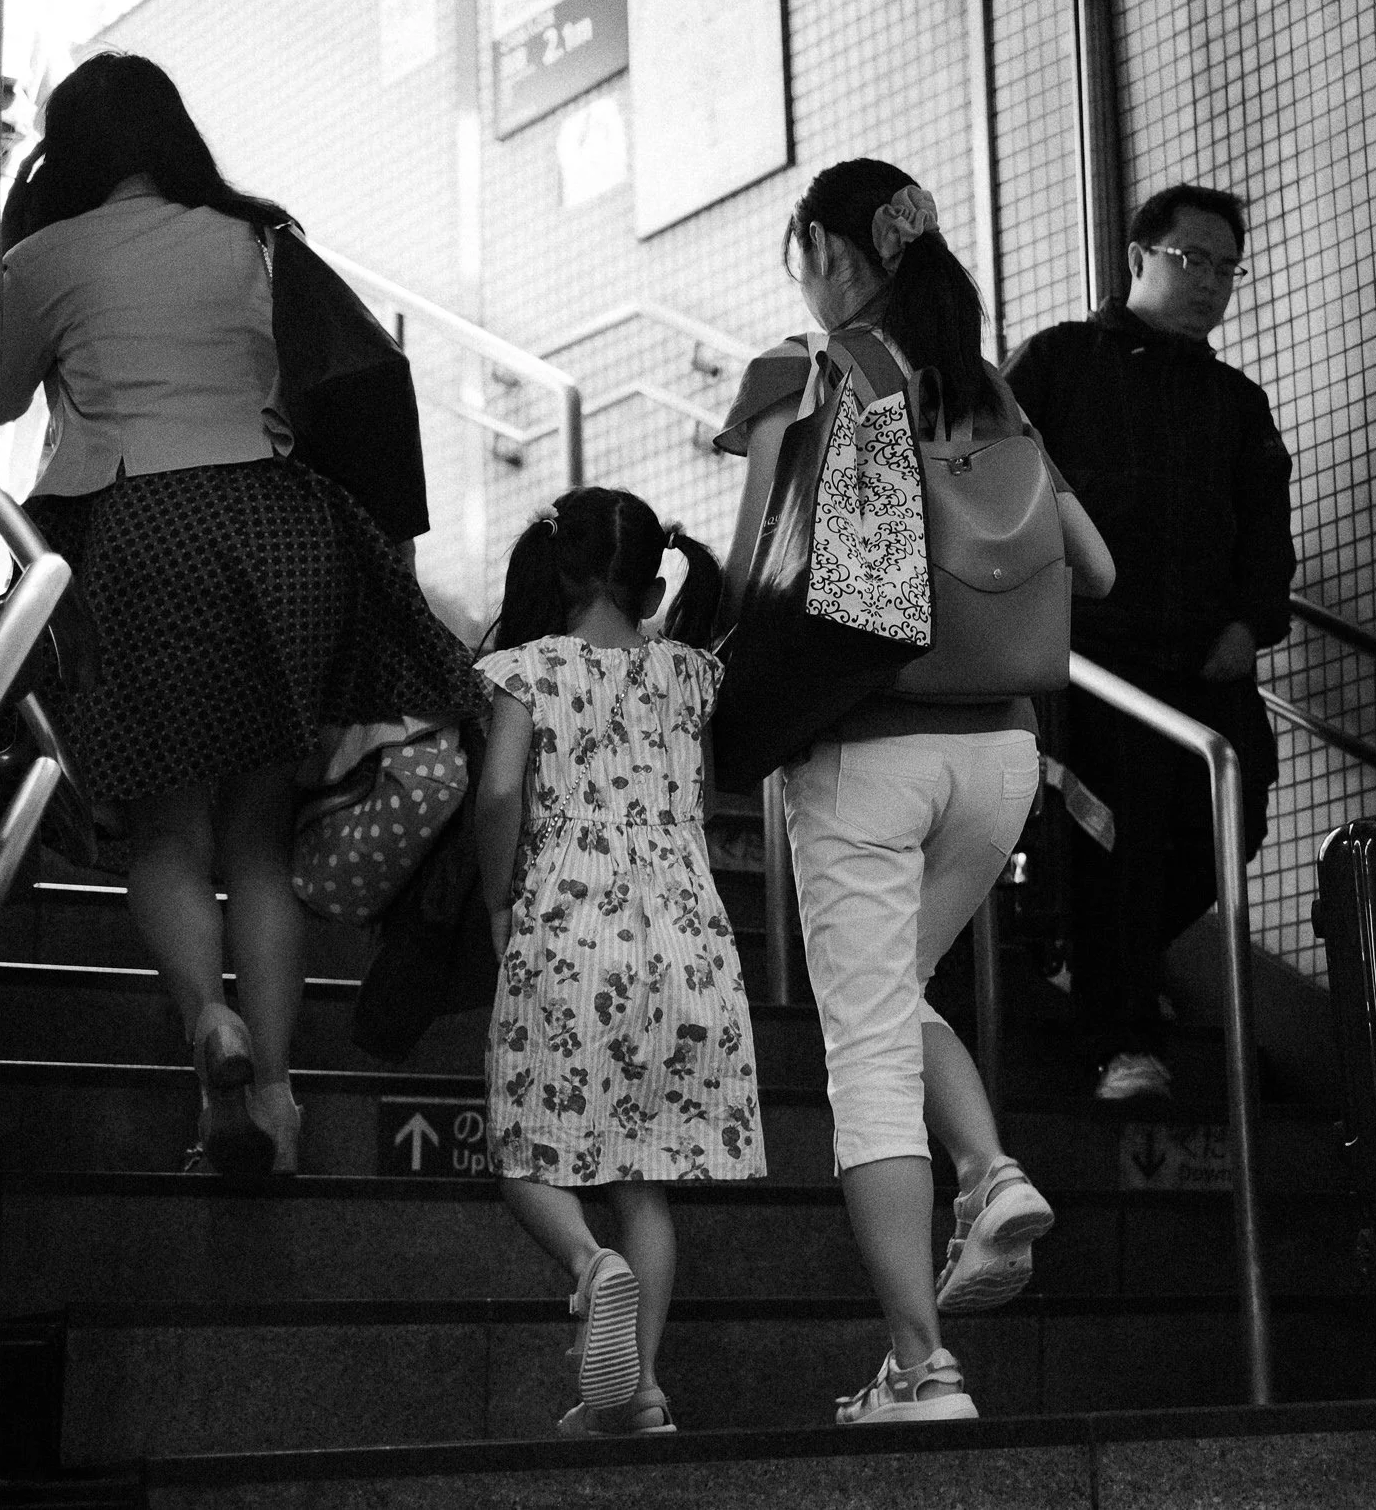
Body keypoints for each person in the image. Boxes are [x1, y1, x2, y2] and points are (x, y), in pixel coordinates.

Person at [0, 51, 487, 1176]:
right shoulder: (258, 240)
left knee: (166, 829)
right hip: (283, 534)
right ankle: (271, 1090)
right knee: (260, 836)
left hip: (143, 529)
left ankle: (205, 1023)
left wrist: (14, 242)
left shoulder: (49, 254)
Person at [716, 160, 1116, 1424]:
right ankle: (990, 1167)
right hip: (1001, 756)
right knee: (892, 994)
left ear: (832, 253)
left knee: (866, 1050)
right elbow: (1093, 569)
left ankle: (918, 1364)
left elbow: (750, 573)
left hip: (869, 747)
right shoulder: (985, 389)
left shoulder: (808, 370)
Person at [470, 486, 763, 1437]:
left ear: (563, 570)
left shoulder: (530, 668)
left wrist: (498, 896)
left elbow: (501, 789)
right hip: (690, 941)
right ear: (648, 578)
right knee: (647, 1177)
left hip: (572, 924)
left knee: (522, 1145)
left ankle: (592, 1267)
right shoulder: (690, 672)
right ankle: (637, 1393)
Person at [1002, 185, 1294, 1101]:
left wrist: (1249, 624)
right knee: (1117, 844)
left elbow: (1265, 529)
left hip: (1204, 664)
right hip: (1094, 664)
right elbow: (997, 487)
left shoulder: (1235, 401)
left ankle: (1091, 966)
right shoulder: (1058, 362)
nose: (1211, 281)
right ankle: (1123, 1038)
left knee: (1231, 818)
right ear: (1138, 258)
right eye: (1191, 258)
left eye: (1226, 267)